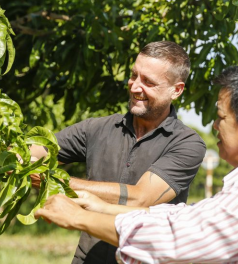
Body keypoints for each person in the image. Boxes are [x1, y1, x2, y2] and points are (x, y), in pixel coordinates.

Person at [35, 62, 238, 263]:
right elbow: (187, 216)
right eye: (134, 76)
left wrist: (77, 215)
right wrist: (102, 206)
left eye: (220, 117)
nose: (214, 125)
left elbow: (172, 238)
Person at [30, 41, 206, 263]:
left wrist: (55, 181)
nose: (134, 87)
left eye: (148, 82)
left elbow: (141, 199)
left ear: (176, 90)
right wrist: (21, 158)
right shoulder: (96, 128)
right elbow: (37, 149)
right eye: (134, 76)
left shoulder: (187, 143)